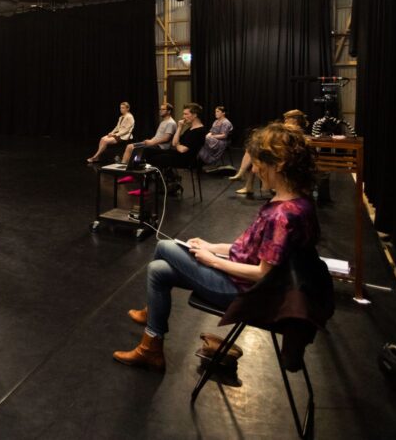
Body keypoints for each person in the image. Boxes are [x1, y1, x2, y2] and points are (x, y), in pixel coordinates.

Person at [113, 122, 320, 372]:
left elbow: (263, 273)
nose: (254, 169)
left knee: (165, 247)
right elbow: (252, 250)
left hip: (244, 293)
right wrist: (211, 246)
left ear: (279, 164)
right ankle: (151, 345)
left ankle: (151, 324)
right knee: (158, 270)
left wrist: (211, 260)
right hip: (252, 284)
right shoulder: (297, 202)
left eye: (258, 164)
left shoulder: (283, 216)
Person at [231, 109, 308, 196]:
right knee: (253, 153)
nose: (285, 120)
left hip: (285, 156)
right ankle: (246, 182)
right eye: (285, 118)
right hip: (277, 152)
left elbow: (287, 146)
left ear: (295, 119)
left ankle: (243, 177)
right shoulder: (284, 129)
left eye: (287, 118)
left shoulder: (296, 131)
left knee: (254, 156)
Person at [144, 103, 208, 189]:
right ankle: (160, 180)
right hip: (178, 154)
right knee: (147, 150)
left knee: (154, 159)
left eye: (186, 114)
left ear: (195, 115)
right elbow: (174, 143)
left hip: (186, 159)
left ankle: (151, 185)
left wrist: (178, 145)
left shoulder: (200, 130)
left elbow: (183, 150)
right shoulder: (190, 128)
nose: (183, 116)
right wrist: (179, 128)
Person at [118, 103, 178, 168]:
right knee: (129, 146)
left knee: (135, 149)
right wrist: (150, 141)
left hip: (161, 147)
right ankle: (123, 167)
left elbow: (166, 138)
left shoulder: (171, 123)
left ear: (169, 111)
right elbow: (157, 136)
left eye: (163, 109)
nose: (160, 110)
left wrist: (152, 142)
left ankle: (132, 168)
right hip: (155, 144)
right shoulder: (163, 122)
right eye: (160, 109)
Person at [199, 105, 234, 170]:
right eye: (215, 112)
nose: (216, 113)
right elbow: (211, 131)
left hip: (222, 141)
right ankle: (203, 159)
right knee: (203, 138)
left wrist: (211, 136)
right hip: (214, 139)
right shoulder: (216, 121)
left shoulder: (226, 123)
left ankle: (209, 160)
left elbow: (224, 135)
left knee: (206, 140)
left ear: (223, 113)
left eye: (218, 111)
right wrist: (208, 135)